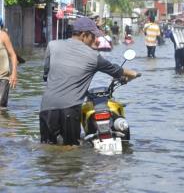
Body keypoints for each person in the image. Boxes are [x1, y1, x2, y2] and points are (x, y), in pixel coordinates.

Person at [39, 17, 138, 145]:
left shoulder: (52, 45)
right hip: (69, 108)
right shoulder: (93, 56)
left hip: (46, 107)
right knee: (71, 150)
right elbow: (117, 70)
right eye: (93, 36)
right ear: (84, 35)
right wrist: (133, 73)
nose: (95, 40)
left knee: (47, 147)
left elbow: (46, 74)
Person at [0, 18, 18, 109]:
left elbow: (13, 55)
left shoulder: (3, 36)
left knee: (1, 107)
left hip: (2, 78)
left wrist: (14, 73)